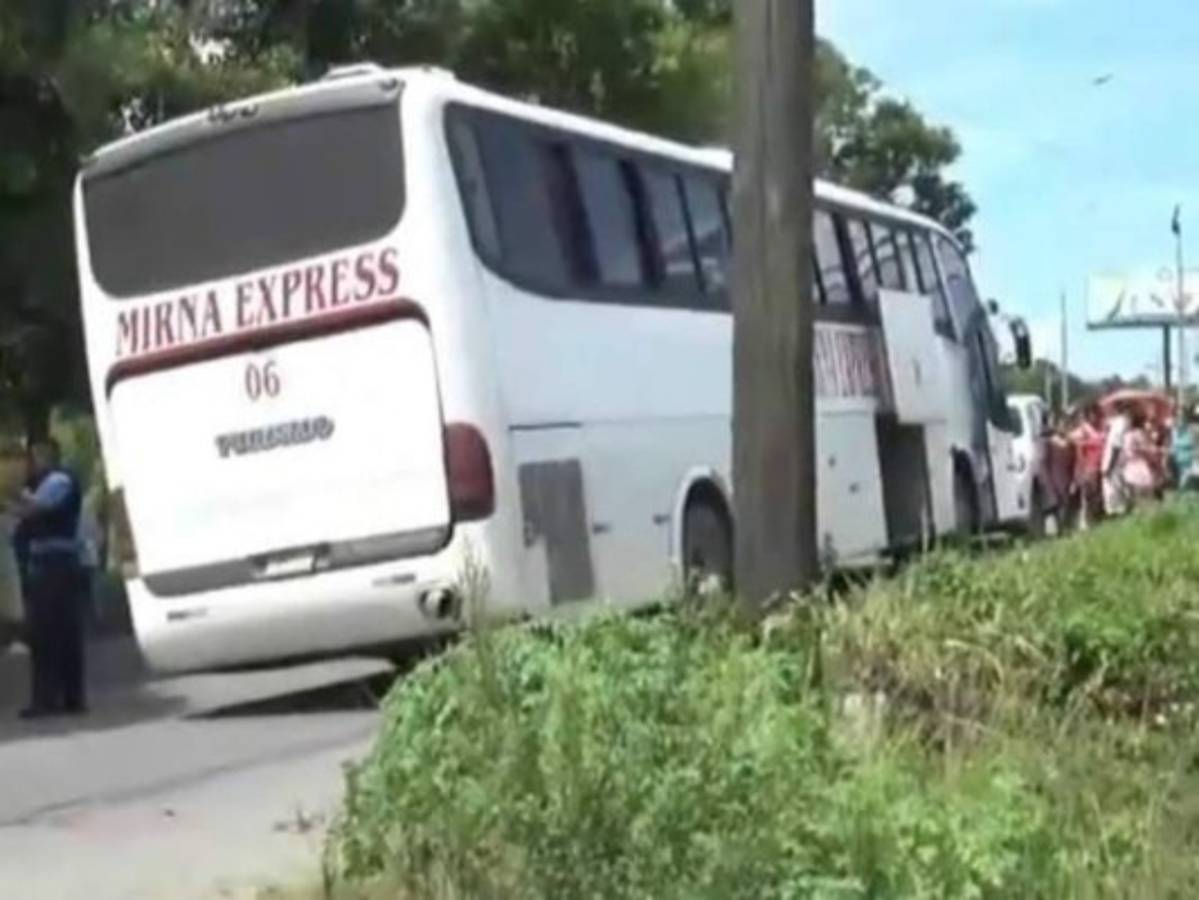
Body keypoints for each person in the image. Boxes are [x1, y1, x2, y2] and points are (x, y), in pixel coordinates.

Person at [9, 438, 87, 718]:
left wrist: (11, 498)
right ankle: (69, 697)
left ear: (50, 456)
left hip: (54, 565)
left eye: (37, 457)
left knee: (46, 635)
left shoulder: (59, 481)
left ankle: (48, 700)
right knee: (62, 633)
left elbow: (35, 509)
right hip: (54, 564)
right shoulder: (48, 483)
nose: (33, 463)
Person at [1070, 403, 1106, 530]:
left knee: (1096, 496)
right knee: (1087, 496)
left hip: (1099, 466)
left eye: (1096, 414)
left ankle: (1094, 520)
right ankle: (1085, 522)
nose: (1094, 417)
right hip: (1089, 467)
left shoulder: (1100, 429)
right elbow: (1078, 450)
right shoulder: (1084, 431)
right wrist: (1081, 469)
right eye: (1092, 414)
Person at [1120, 410, 1160, 508]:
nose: (1125, 422)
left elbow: (1145, 449)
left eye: (1127, 420)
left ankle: (1144, 510)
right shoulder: (1128, 434)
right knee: (1134, 492)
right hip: (1131, 465)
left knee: (1140, 491)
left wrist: (1139, 449)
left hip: (1138, 464)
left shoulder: (1137, 433)